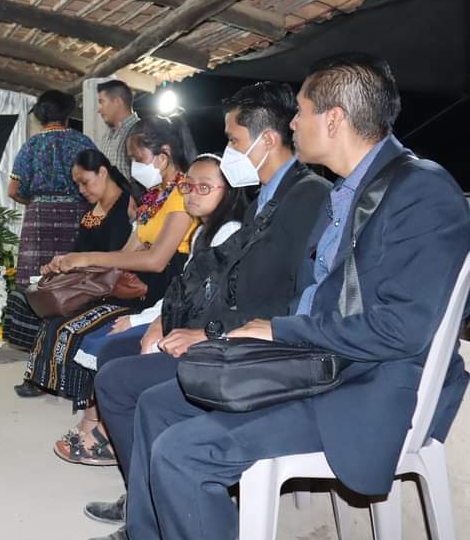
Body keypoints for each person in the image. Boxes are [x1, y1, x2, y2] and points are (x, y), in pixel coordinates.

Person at [118, 54, 470, 540]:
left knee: (185, 453)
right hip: (315, 364)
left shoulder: (421, 192)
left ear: (334, 119)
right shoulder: (346, 192)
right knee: (160, 404)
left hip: (364, 387)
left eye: (301, 112)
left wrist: (279, 330)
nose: (294, 123)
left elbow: (402, 329)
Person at [84, 83, 331, 521]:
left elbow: (288, 297)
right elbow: (214, 271)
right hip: (226, 331)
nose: (229, 151)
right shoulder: (268, 196)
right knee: (118, 359)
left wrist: (208, 334)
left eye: (234, 141)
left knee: (122, 383)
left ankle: (150, 509)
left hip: (254, 348)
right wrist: (165, 320)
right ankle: (146, 500)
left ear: (266, 140)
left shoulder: (306, 197)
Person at [17, 116, 198, 463]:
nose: (132, 167)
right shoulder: (156, 197)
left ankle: (100, 428)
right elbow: (129, 253)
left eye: (137, 158)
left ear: (163, 155)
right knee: (71, 322)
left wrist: (83, 258)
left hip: (164, 295)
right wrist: (75, 262)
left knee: (101, 337)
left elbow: (158, 260)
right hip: (137, 288)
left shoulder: (182, 196)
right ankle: (95, 423)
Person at [3, 149, 133, 352]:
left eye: (84, 182)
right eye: (77, 184)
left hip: (106, 285)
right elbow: (78, 251)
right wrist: (58, 266)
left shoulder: (128, 205)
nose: (81, 189)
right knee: (21, 297)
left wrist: (79, 262)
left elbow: (121, 257)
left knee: (52, 317)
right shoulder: (91, 210)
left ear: (102, 172)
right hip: (84, 280)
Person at [9, 90, 98, 285]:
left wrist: (35, 202)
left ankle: (28, 314)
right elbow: (98, 184)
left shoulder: (30, 145)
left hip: (39, 218)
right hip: (77, 217)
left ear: (41, 116)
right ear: (67, 114)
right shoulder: (83, 142)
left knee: (34, 281)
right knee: (74, 276)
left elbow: (13, 190)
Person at [95, 80, 140, 180]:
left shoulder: (141, 131)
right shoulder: (107, 136)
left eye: (102, 102)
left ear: (117, 102)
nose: (99, 109)